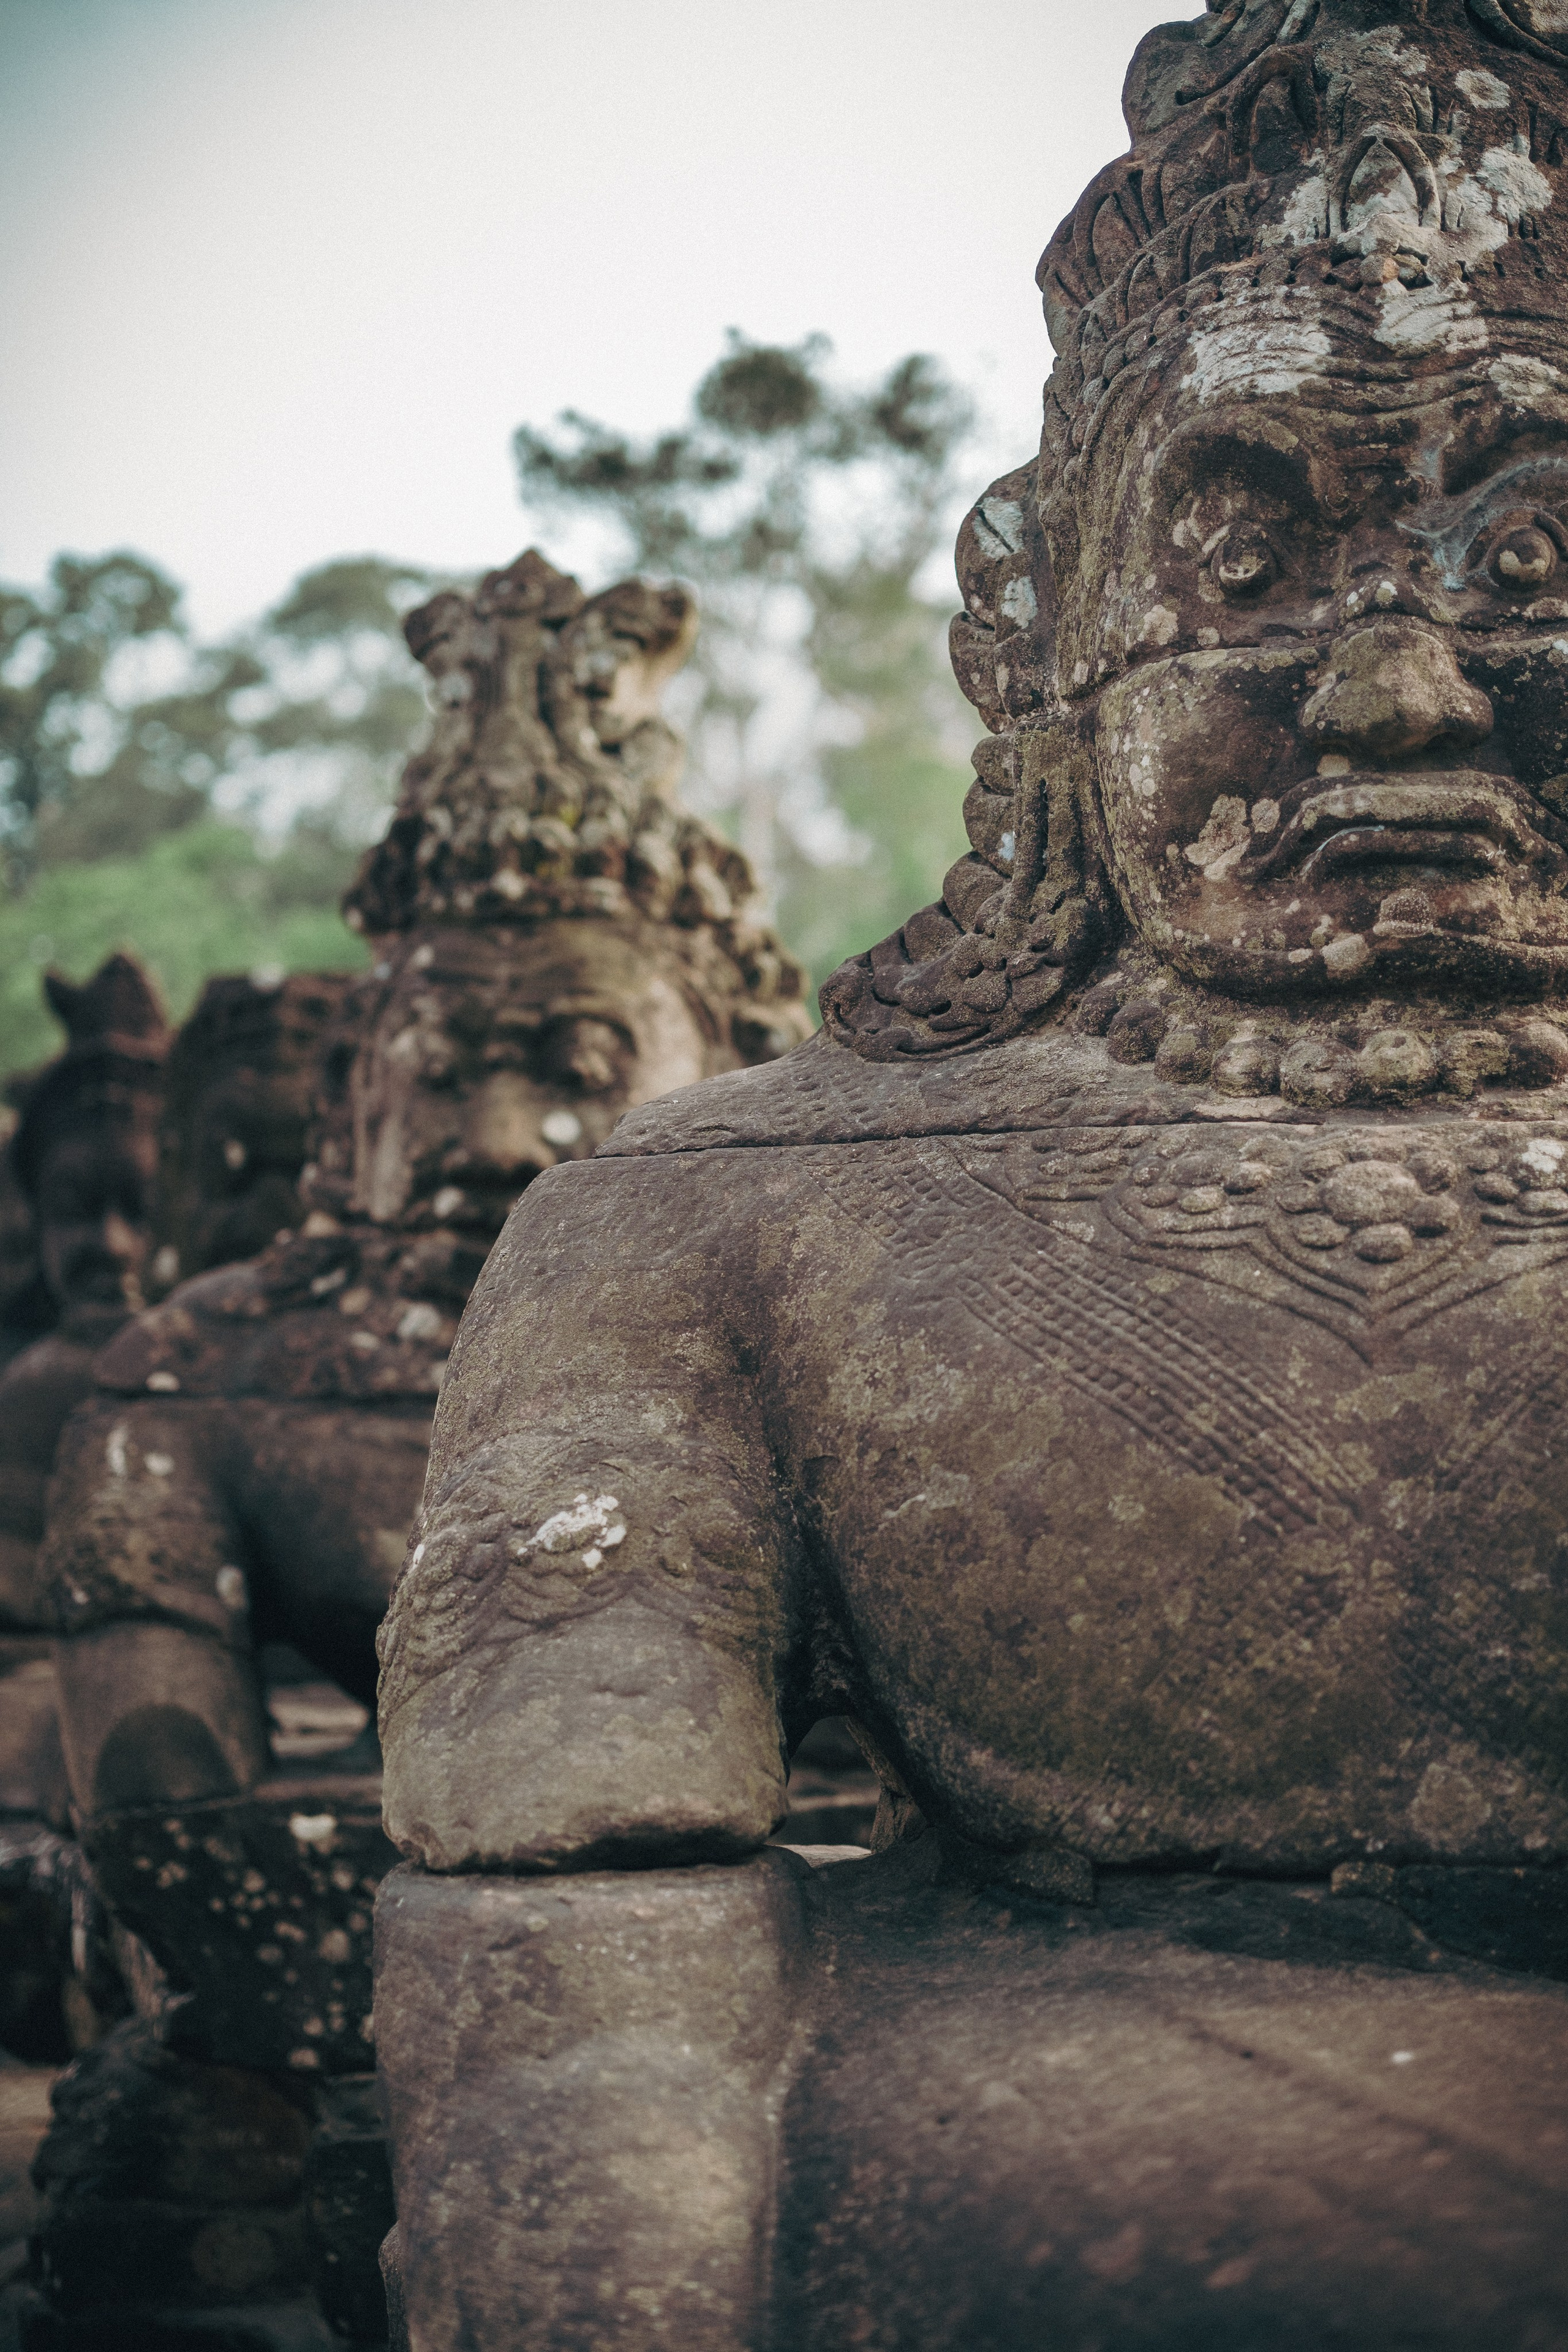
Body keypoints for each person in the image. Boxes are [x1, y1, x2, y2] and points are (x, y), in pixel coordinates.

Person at [374, 11, 1568, 2345]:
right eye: (1243, 562)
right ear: (1039, 646)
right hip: (965, 2215)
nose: (1399, 692)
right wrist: (606, 2228)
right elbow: (573, 1939)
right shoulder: (705, 1227)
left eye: (1532, 550)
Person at [33, 549, 810, 2343]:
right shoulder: (188, 1394)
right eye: (439, 1064)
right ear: (355, 1094)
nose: (493, 1129)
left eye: (573, 1054)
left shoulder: (832, 1355)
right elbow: (176, 1843)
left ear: (726, 1060)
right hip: (348, 2038)